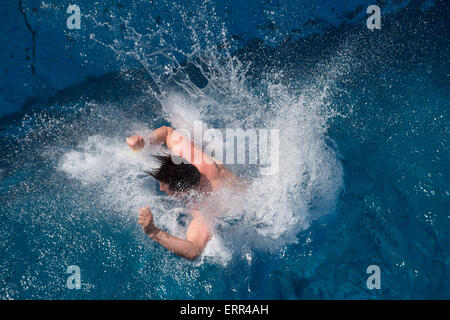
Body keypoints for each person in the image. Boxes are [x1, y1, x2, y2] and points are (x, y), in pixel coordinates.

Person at [126, 126, 241, 261]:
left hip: (241, 203)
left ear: (184, 191)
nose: (161, 189)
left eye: (164, 186)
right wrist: (143, 142)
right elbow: (167, 132)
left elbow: (194, 250)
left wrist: (153, 232)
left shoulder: (205, 209)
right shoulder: (195, 159)